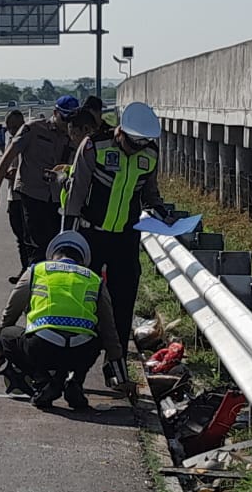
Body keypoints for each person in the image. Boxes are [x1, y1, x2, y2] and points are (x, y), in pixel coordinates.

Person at [63, 101, 174, 355]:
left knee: (123, 303)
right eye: (131, 145)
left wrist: (162, 212)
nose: (135, 151)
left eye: (141, 146)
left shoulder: (150, 153)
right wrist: (68, 236)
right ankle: (78, 357)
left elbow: (150, 193)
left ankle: (116, 361)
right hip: (91, 234)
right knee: (84, 298)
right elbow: (76, 193)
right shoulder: (94, 146)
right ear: (120, 132)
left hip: (126, 237)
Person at [0, 231, 127, 409]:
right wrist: (122, 377)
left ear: (53, 255)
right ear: (83, 259)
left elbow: (10, 313)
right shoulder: (94, 280)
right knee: (98, 333)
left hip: (42, 347)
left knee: (7, 334)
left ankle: (43, 381)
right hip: (81, 352)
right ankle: (75, 381)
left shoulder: (36, 271)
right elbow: (110, 332)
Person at [0, 95, 78, 264]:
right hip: (33, 194)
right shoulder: (33, 129)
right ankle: (33, 281)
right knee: (36, 244)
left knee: (57, 244)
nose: (68, 124)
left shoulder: (75, 136)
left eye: (72, 119)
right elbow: (8, 157)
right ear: (55, 113)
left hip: (59, 199)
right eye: (65, 118)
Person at [3, 110, 31, 284]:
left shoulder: (30, 140)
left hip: (27, 195)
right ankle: (24, 270)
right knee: (19, 236)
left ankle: (30, 271)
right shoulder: (10, 141)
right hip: (13, 196)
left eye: (15, 127)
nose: (12, 131)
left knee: (29, 237)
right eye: (9, 128)